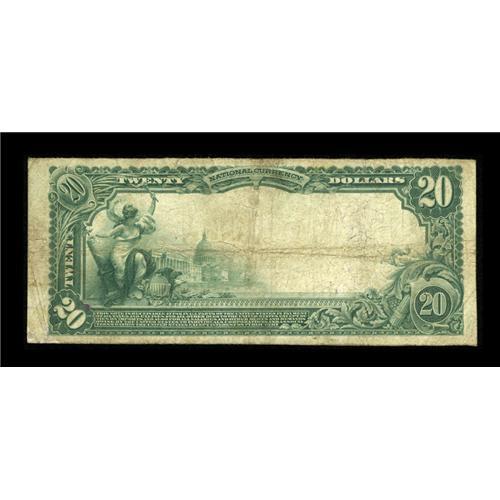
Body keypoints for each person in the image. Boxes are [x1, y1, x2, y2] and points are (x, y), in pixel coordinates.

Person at [88, 191, 157, 300]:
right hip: (118, 254)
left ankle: (134, 288)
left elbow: (148, 214)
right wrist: (94, 233)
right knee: (120, 272)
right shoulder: (121, 227)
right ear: (130, 217)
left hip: (131, 253)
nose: (138, 216)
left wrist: (153, 201)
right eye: (136, 215)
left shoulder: (138, 226)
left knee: (141, 260)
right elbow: (108, 234)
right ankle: (121, 292)